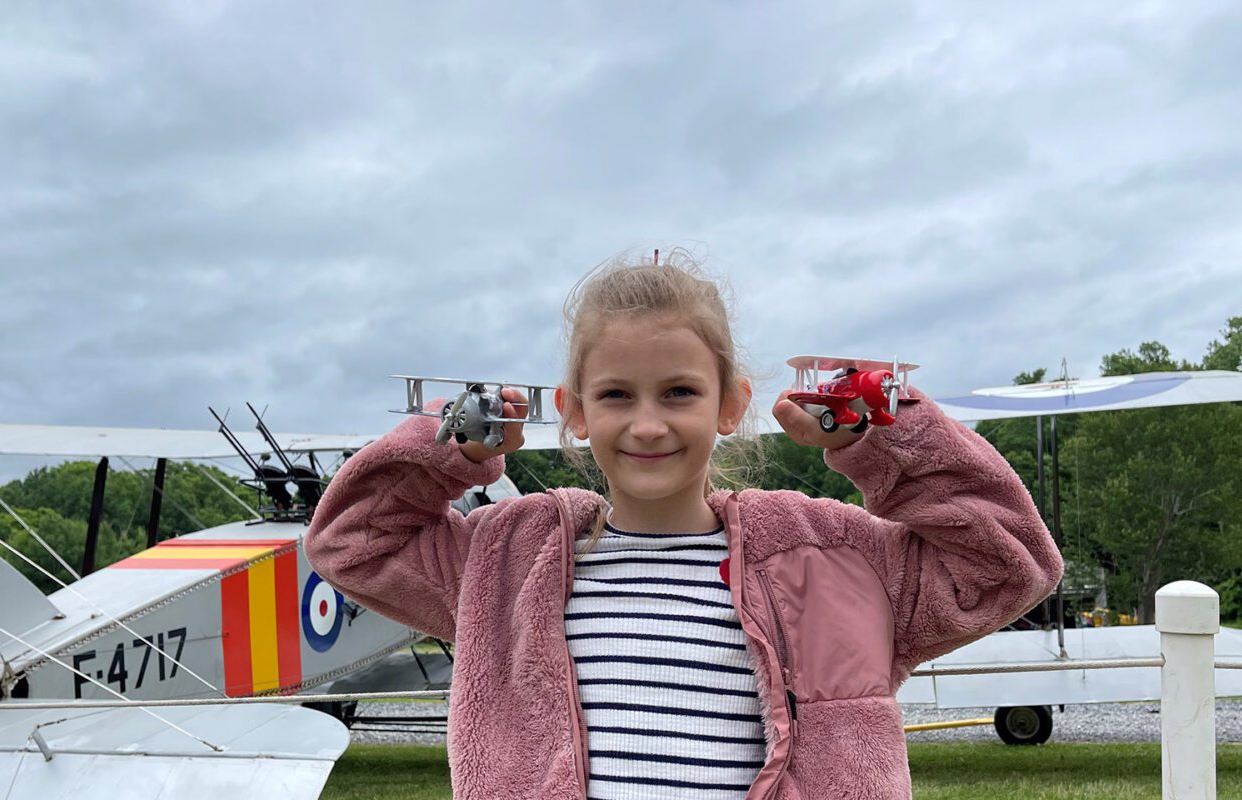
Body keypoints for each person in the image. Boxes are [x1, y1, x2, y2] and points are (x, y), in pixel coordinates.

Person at [305, 253, 1062, 800]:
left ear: (731, 404)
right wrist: (447, 445)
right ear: (572, 412)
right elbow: (353, 541)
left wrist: (886, 432)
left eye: (677, 392)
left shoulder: (829, 556)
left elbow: (1008, 562)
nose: (646, 424)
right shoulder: (508, 558)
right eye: (614, 395)